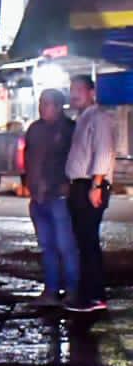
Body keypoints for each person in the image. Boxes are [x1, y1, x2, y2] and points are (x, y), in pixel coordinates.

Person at [64, 74, 114, 312]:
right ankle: (88, 294)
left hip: (90, 185)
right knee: (83, 242)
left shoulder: (99, 117)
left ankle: (95, 297)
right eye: (72, 89)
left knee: (88, 241)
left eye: (79, 89)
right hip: (79, 185)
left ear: (91, 92)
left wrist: (96, 185)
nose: (74, 94)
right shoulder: (82, 119)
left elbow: (103, 152)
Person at [23, 89, 78, 307]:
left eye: (46, 103)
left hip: (59, 196)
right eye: (41, 103)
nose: (42, 107)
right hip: (38, 197)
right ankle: (52, 290)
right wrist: (30, 184)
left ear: (58, 106)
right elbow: (28, 157)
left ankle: (73, 290)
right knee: (48, 247)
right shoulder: (35, 129)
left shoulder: (69, 129)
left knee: (66, 245)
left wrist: (65, 186)